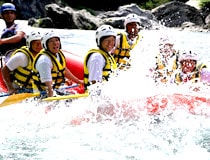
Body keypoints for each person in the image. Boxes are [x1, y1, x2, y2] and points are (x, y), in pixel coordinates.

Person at [32, 30, 84, 97]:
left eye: (56, 40)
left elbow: (64, 70)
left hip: (55, 89)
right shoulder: (44, 61)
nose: (55, 43)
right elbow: (48, 86)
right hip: (42, 93)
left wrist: (78, 81)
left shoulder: (58, 55)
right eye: (51, 41)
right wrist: (51, 100)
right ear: (45, 45)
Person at [84, 24, 117, 91]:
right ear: (99, 41)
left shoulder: (107, 56)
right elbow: (94, 84)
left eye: (112, 40)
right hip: (98, 97)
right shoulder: (97, 58)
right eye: (107, 40)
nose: (110, 43)